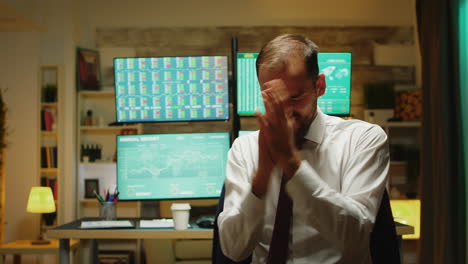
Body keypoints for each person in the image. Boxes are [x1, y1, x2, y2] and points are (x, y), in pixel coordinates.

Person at [217, 34, 389, 263]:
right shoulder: (244, 148)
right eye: (273, 99)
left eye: (295, 97)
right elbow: (233, 249)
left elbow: (355, 238)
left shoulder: (362, 139)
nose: (285, 111)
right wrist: (261, 179)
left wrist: (291, 162)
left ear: (320, 85)